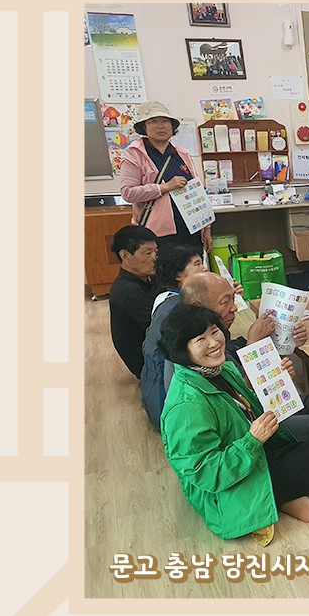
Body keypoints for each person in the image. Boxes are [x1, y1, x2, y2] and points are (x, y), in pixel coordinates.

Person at [158, 303, 309, 546]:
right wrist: (252, 440)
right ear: (181, 350)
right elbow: (206, 474)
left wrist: (275, 382)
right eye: (200, 339)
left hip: (255, 458)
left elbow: (243, 408)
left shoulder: (218, 370)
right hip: (231, 489)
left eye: (214, 331)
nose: (213, 342)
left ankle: (287, 498)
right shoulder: (186, 406)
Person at [119, 100, 212, 253]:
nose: (160, 126)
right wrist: (165, 187)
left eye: (165, 121)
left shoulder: (182, 154)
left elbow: (197, 192)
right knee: (164, 268)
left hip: (191, 230)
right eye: (153, 121)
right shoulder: (134, 154)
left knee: (193, 268)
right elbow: (128, 193)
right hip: (157, 234)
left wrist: (206, 228)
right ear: (144, 127)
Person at [138, 241, 208, 429]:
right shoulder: (183, 308)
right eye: (197, 264)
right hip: (173, 409)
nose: (204, 268)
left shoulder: (164, 297)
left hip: (153, 395)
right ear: (178, 275)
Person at [108, 225, 158, 379]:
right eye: (148, 253)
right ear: (125, 256)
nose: (155, 258)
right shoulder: (127, 291)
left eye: (156, 252)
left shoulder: (142, 279)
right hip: (150, 366)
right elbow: (165, 327)